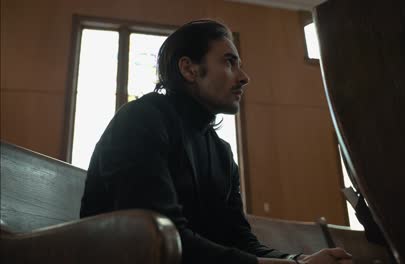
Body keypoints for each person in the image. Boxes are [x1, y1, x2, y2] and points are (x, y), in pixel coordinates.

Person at [80, 19, 352, 264]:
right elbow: (157, 239)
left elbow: (240, 241)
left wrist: (299, 259)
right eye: (229, 62)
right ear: (189, 69)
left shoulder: (221, 153)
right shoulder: (141, 119)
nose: (244, 78)